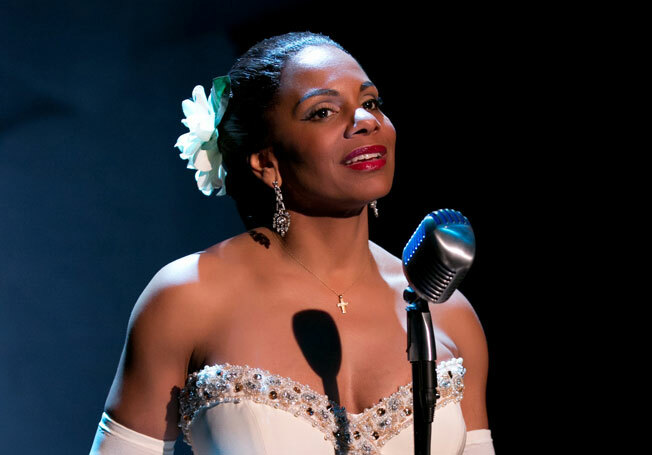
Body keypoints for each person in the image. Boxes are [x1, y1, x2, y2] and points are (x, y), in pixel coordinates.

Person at [89, 31, 494, 455]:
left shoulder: (447, 313)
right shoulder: (186, 298)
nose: (365, 121)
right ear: (266, 162)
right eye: (323, 112)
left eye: (370, 103)